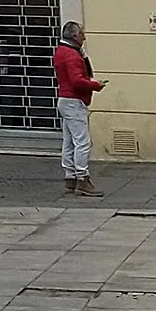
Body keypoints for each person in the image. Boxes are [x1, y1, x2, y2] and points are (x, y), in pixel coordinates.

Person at [53, 21, 103, 196]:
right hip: (74, 101)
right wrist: (95, 85)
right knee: (82, 142)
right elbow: (77, 81)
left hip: (65, 100)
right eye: (82, 34)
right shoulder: (72, 56)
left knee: (69, 141)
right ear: (74, 37)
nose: (84, 37)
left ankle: (70, 176)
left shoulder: (61, 51)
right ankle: (82, 178)